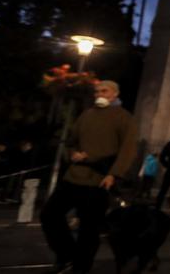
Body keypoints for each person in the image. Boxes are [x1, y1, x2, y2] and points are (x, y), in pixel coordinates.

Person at [41, 80, 138, 274]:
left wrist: (113, 174)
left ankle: (80, 268)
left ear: (115, 94)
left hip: (99, 180)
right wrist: (72, 153)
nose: (99, 94)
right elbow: (70, 142)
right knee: (49, 215)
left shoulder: (124, 118)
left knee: (89, 230)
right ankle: (67, 253)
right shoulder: (86, 115)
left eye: (104, 90)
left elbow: (128, 150)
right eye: (96, 91)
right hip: (74, 176)